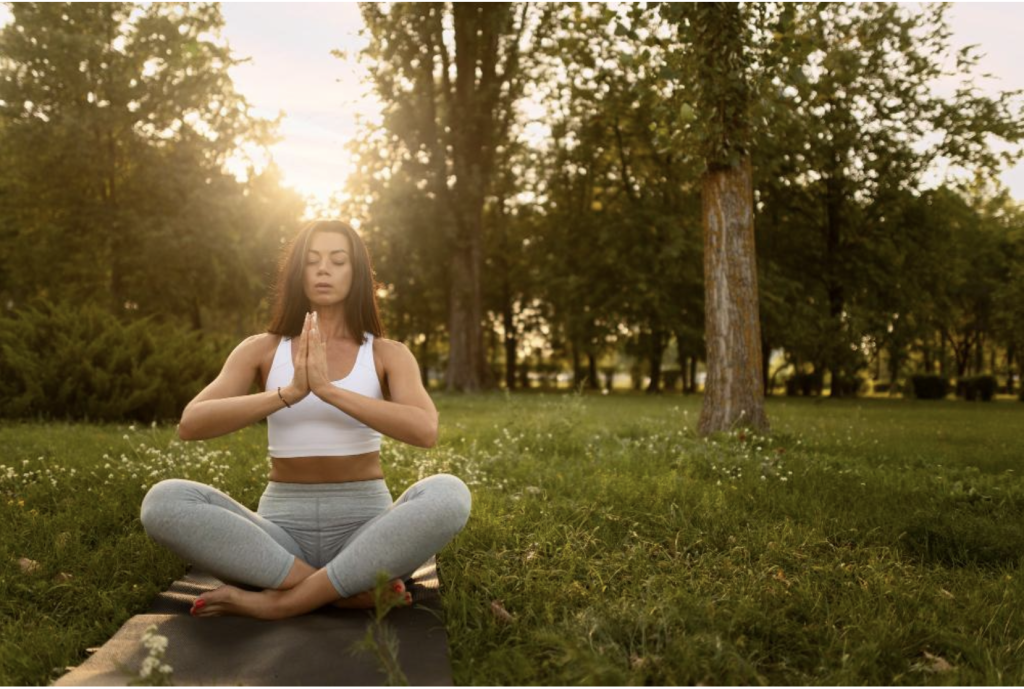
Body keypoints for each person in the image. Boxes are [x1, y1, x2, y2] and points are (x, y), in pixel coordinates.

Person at [139, 220, 471, 620]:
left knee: (449, 493)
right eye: (312, 261)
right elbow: (191, 423)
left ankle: (282, 602)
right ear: (298, 273)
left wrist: (330, 391)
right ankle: (341, 591)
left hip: (366, 533)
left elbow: (425, 430)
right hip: (281, 538)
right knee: (164, 501)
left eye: (337, 260)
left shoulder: (387, 353)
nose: (323, 269)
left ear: (357, 274)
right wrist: (288, 394)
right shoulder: (261, 349)